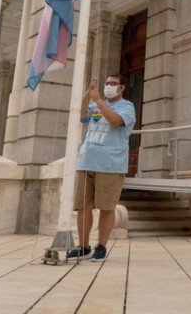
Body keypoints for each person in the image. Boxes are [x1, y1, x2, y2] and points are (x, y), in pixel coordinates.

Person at [66, 74, 136, 262]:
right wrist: (88, 95)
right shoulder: (95, 104)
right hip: (86, 161)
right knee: (83, 207)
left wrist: (98, 100)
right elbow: (81, 117)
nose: (109, 86)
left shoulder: (127, 106)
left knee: (106, 207)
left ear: (121, 88)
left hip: (110, 164)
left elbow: (114, 121)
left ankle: (101, 246)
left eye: (113, 84)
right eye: (107, 83)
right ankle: (83, 246)